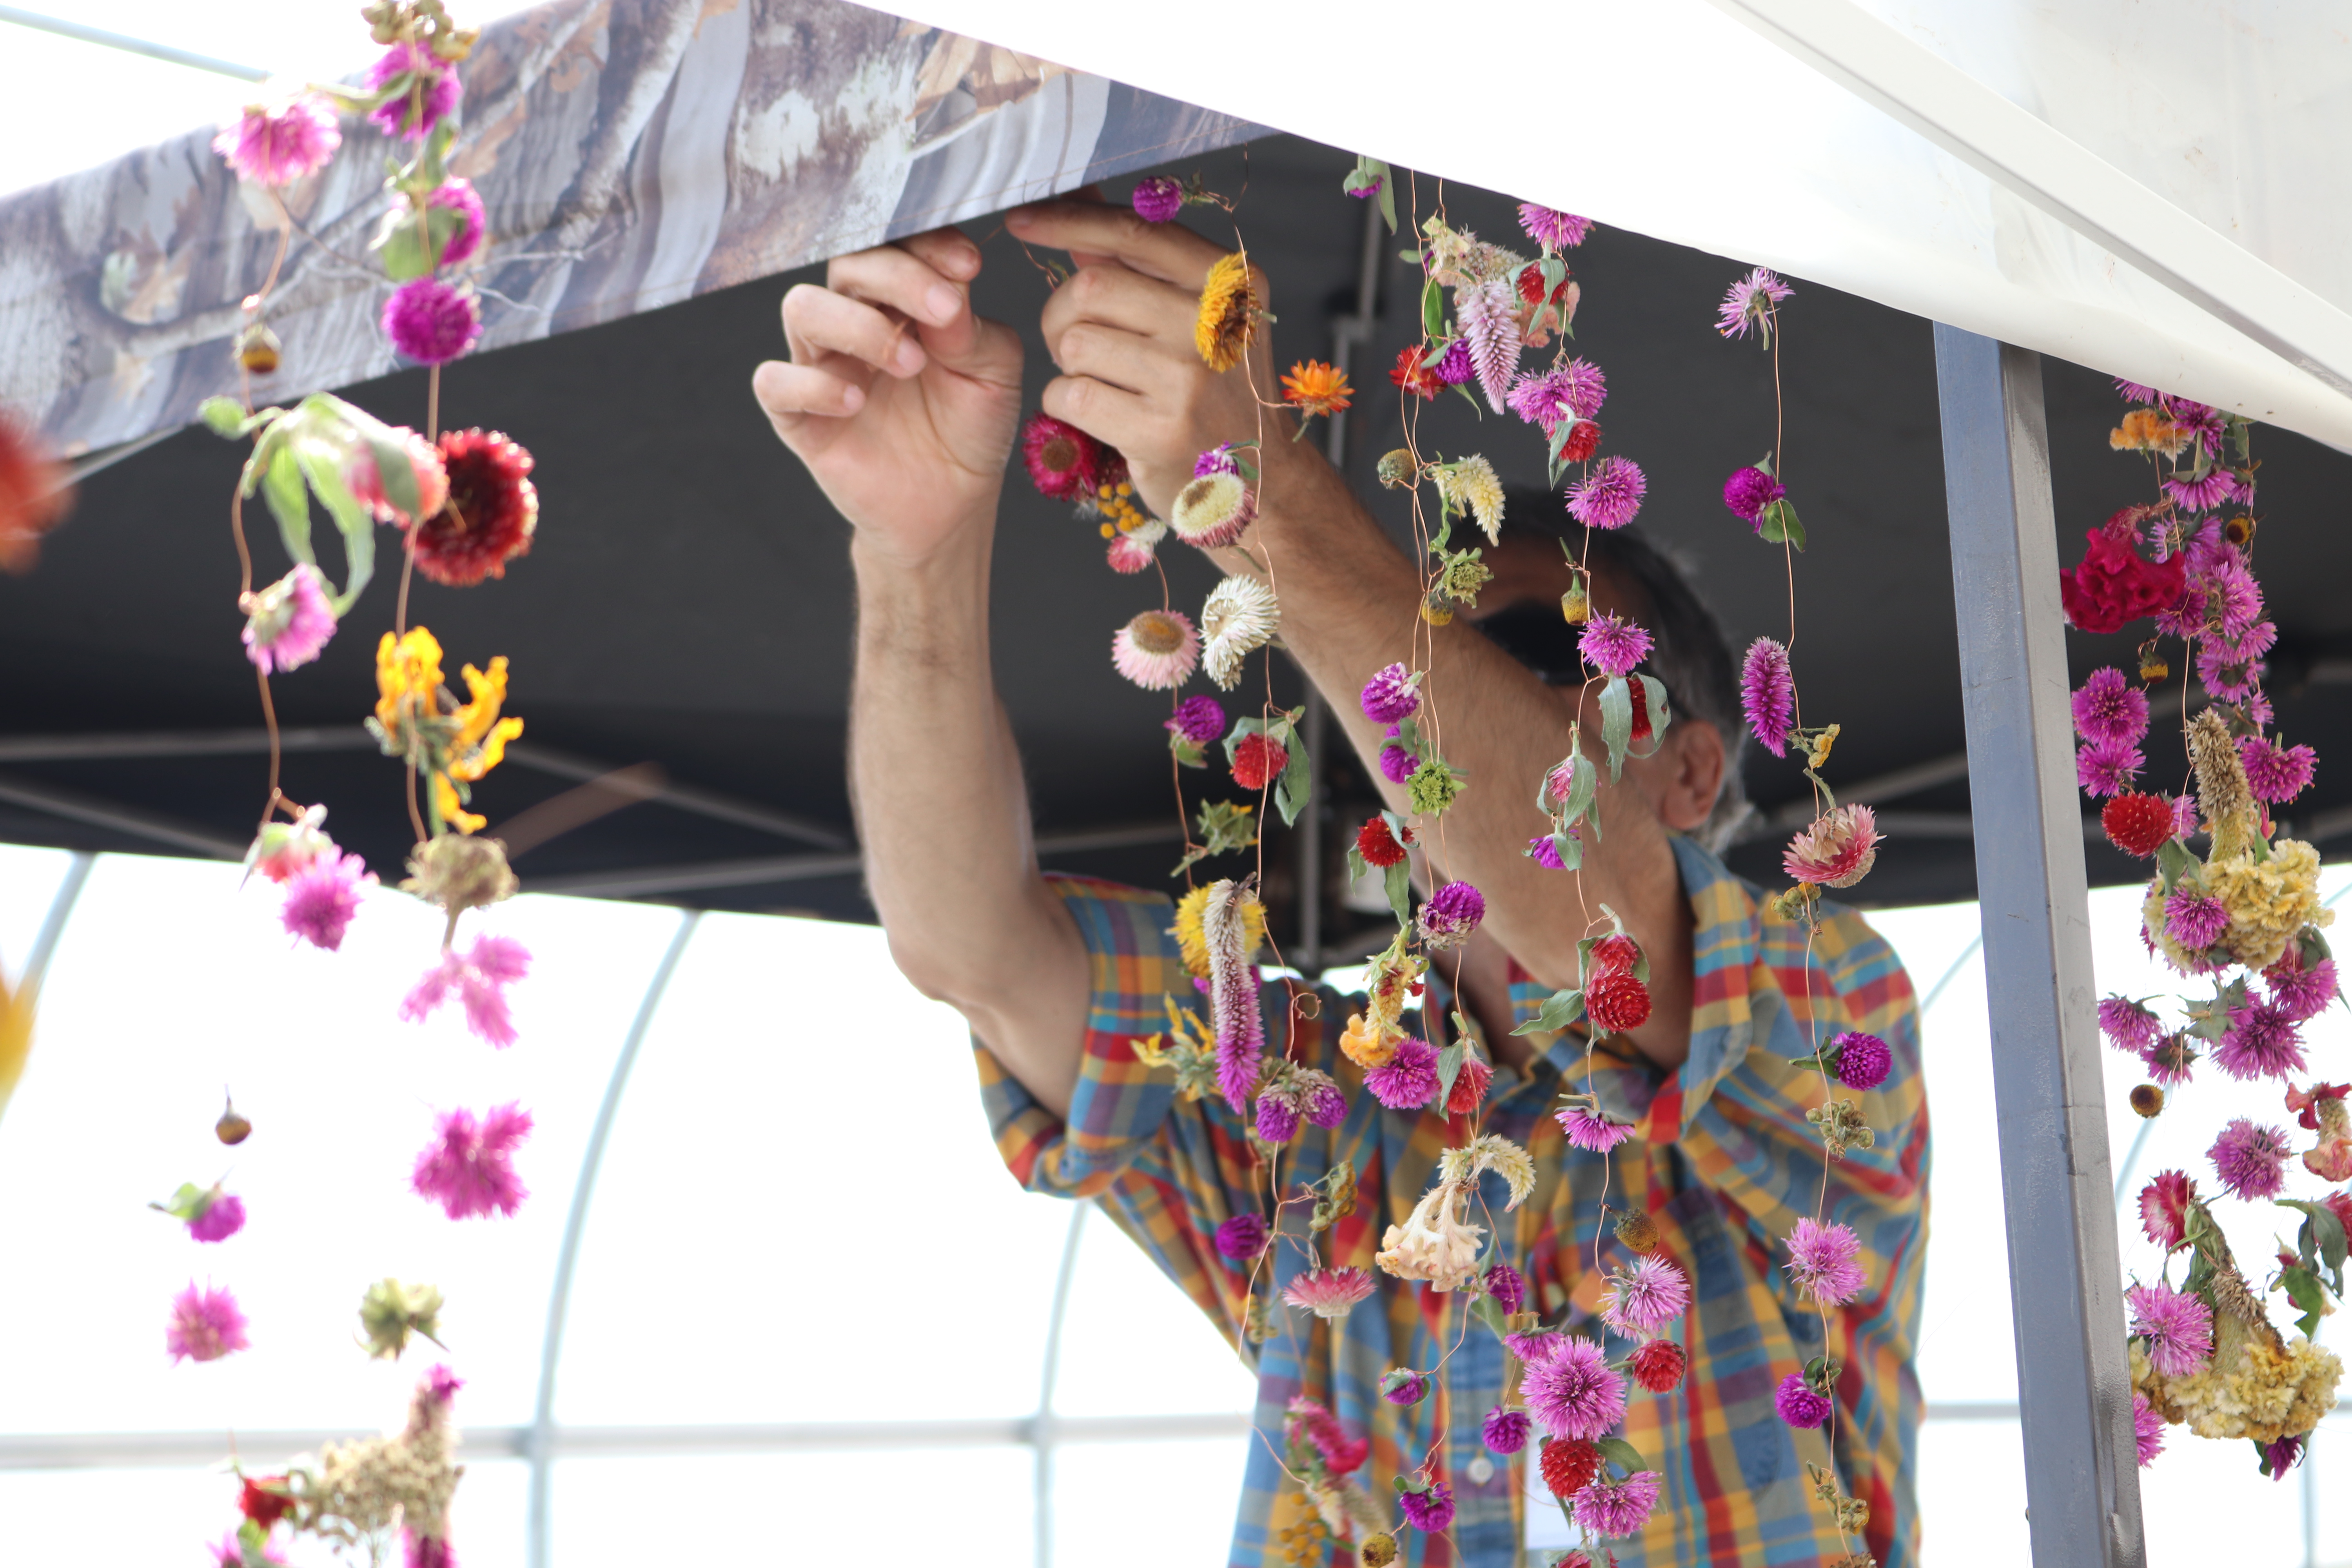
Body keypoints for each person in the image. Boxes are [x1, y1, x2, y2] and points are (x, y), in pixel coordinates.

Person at [752, 197, 1926, 1568]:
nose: (1423, 690)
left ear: (1687, 769)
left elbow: (1582, 919)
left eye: (1523, 652)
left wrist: (1271, 495)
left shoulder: (1833, 1002)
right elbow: (972, 945)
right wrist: (913, 552)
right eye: (1417, 653)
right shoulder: (1325, 1116)